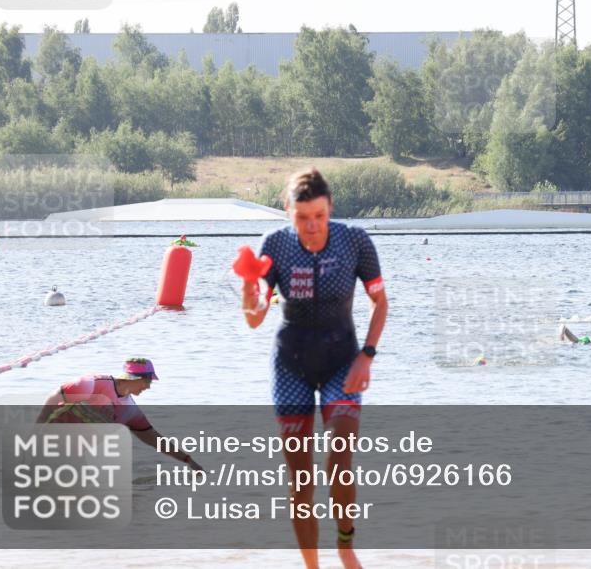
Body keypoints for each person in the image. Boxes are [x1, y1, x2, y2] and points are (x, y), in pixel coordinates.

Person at [243, 168, 387, 569]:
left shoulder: (354, 241)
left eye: (320, 217)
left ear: (331, 209)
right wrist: (246, 286)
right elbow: (255, 317)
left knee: (338, 460)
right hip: (291, 366)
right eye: (303, 218)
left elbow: (381, 303)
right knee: (301, 481)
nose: (312, 227)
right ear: (288, 212)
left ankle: (345, 543)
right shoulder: (274, 245)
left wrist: (367, 355)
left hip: (344, 362)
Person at [35, 358, 202, 470]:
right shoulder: (94, 384)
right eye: (147, 381)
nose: (148, 387)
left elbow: (153, 438)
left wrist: (187, 460)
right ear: (133, 378)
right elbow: (55, 397)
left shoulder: (130, 409)